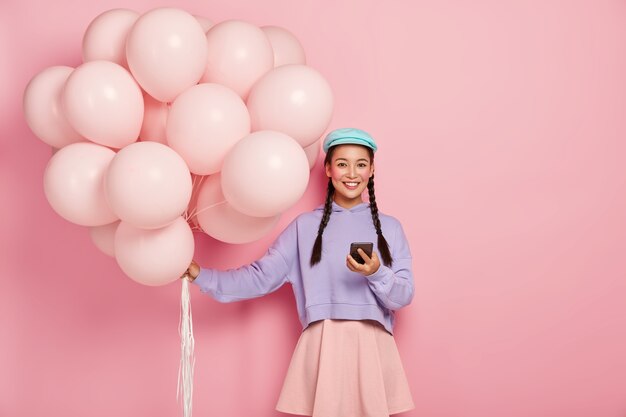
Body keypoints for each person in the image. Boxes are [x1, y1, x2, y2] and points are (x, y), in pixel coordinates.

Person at [182, 128, 415, 417]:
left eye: (361, 164)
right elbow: (259, 277)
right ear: (328, 169)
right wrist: (201, 274)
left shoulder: (390, 228)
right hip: (323, 343)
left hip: (372, 345)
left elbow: (403, 295)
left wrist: (377, 272)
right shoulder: (304, 228)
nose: (352, 173)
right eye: (342, 164)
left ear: (372, 169)